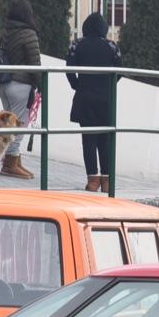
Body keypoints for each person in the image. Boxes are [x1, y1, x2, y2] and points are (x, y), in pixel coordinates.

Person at [66, 12, 121, 192]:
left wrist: (77, 85)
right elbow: (120, 71)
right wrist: (108, 85)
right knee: (105, 139)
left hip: (85, 97)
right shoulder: (111, 46)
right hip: (106, 99)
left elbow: (69, 69)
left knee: (88, 139)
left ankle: (92, 179)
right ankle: (107, 180)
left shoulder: (77, 44)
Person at [0, 0, 40, 179]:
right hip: (21, 86)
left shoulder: (4, 31)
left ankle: (14, 159)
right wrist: (41, 84)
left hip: (3, 84)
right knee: (19, 125)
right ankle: (9, 163)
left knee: (8, 124)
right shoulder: (29, 34)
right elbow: (34, 63)